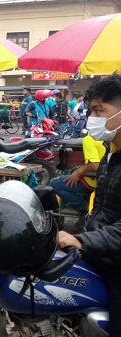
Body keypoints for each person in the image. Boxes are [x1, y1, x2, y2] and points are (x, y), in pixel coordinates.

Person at [57, 74, 121, 337]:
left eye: (99, 111)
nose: (92, 119)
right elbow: (102, 210)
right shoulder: (110, 153)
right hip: (102, 253)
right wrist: (79, 236)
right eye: (91, 111)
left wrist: (84, 241)